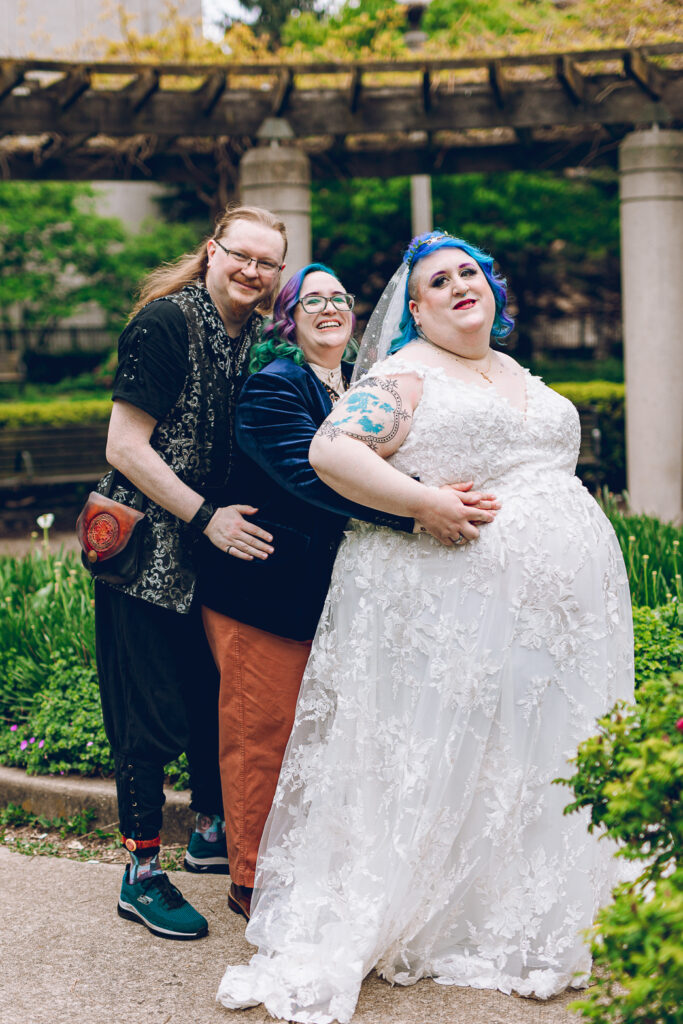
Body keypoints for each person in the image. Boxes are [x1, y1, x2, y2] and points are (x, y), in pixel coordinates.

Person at [216, 230, 634, 1019]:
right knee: (464, 752)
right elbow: (333, 450)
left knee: (527, 751)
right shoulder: (404, 375)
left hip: (556, 620)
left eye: (467, 273)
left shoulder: (512, 369)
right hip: (463, 607)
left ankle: (531, 890)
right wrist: (424, 504)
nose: (456, 286)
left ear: (491, 290)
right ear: (415, 309)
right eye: (436, 282)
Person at [197, 262, 500, 922]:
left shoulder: (354, 385)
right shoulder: (272, 386)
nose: (329, 307)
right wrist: (413, 510)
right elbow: (307, 477)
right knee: (261, 733)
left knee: (316, 738)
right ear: (288, 319)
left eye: (339, 297)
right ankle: (248, 879)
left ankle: (297, 863)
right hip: (263, 588)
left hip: (323, 594)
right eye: (311, 301)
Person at [95, 204, 286, 941]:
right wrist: (208, 516)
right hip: (142, 552)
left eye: (267, 263)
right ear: (212, 251)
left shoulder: (257, 337)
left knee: (213, 698)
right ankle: (139, 874)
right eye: (241, 255)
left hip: (210, 556)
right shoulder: (165, 324)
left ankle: (211, 833)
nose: (252, 271)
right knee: (146, 715)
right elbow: (125, 447)